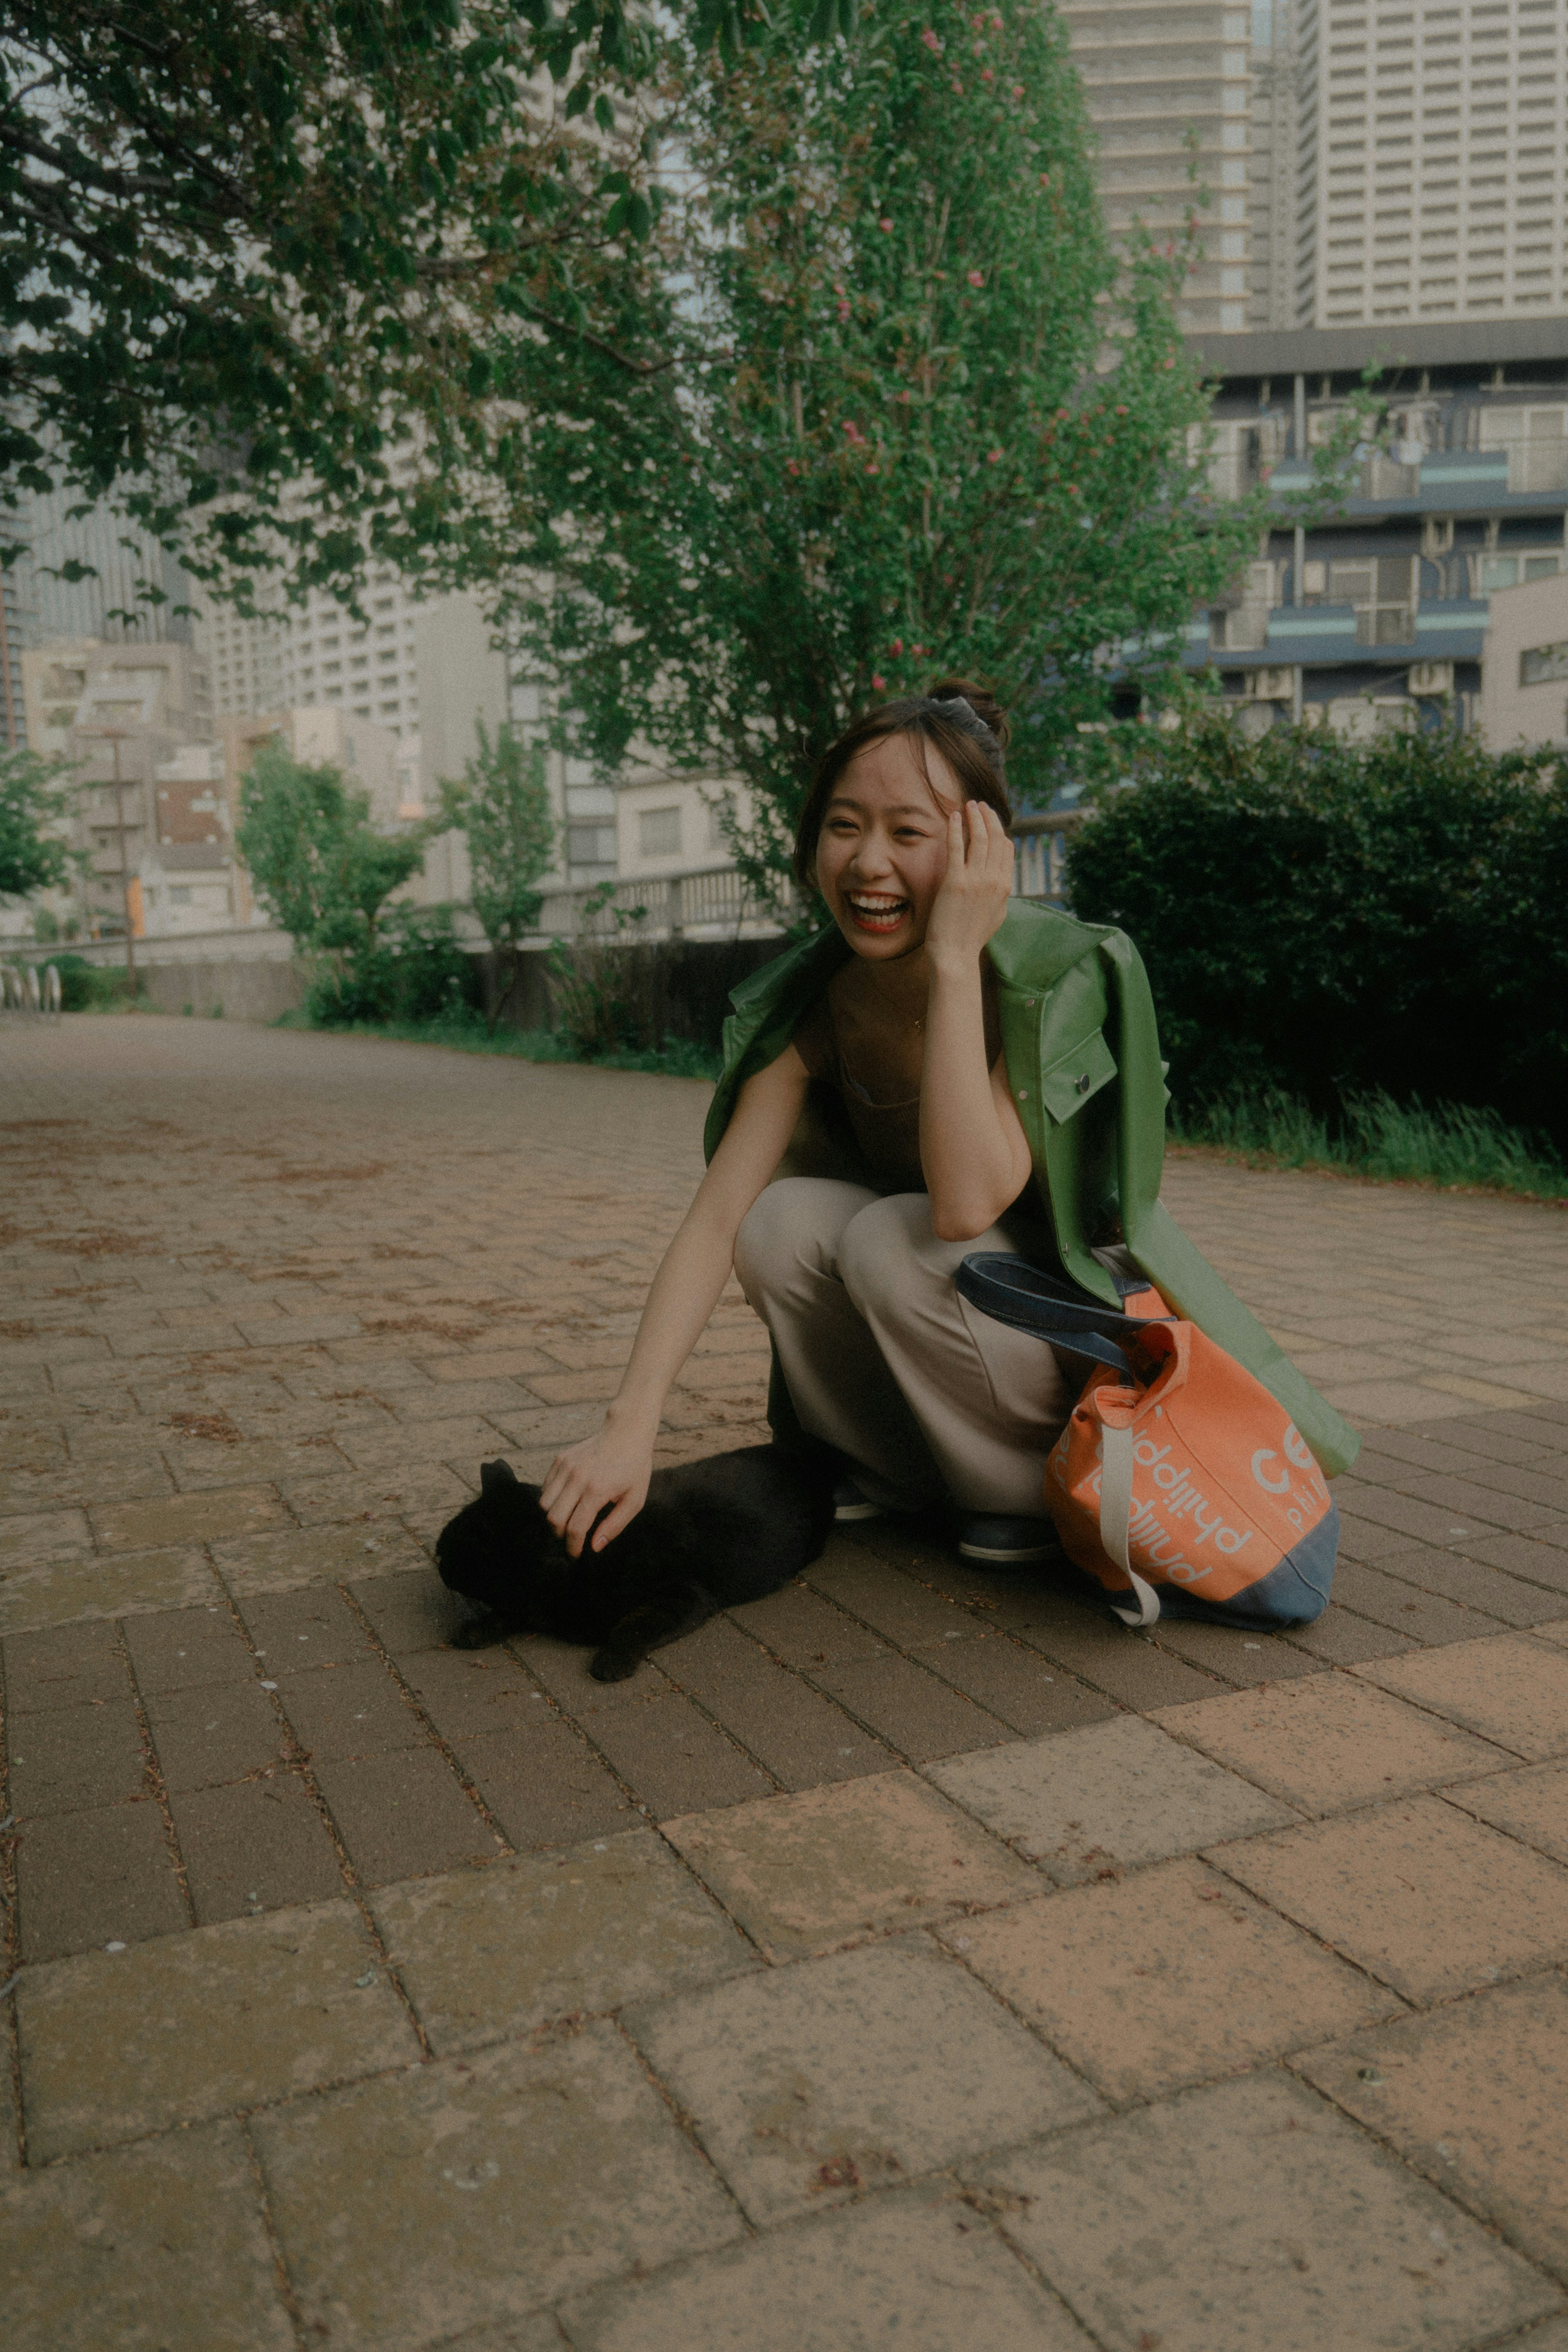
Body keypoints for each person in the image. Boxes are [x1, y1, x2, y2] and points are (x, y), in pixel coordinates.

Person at [541, 678, 1359, 1569]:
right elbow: (713, 1219)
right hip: (944, 1318)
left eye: (908, 831)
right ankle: (894, 1471)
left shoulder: (1043, 982)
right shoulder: (817, 1002)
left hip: (1060, 1339)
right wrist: (630, 1427)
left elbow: (967, 1205)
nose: (868, 863)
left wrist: (958, 961)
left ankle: (1027, 1491)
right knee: (778, 1223)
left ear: (981, 849)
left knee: (897, 1232)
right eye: (844, 826)